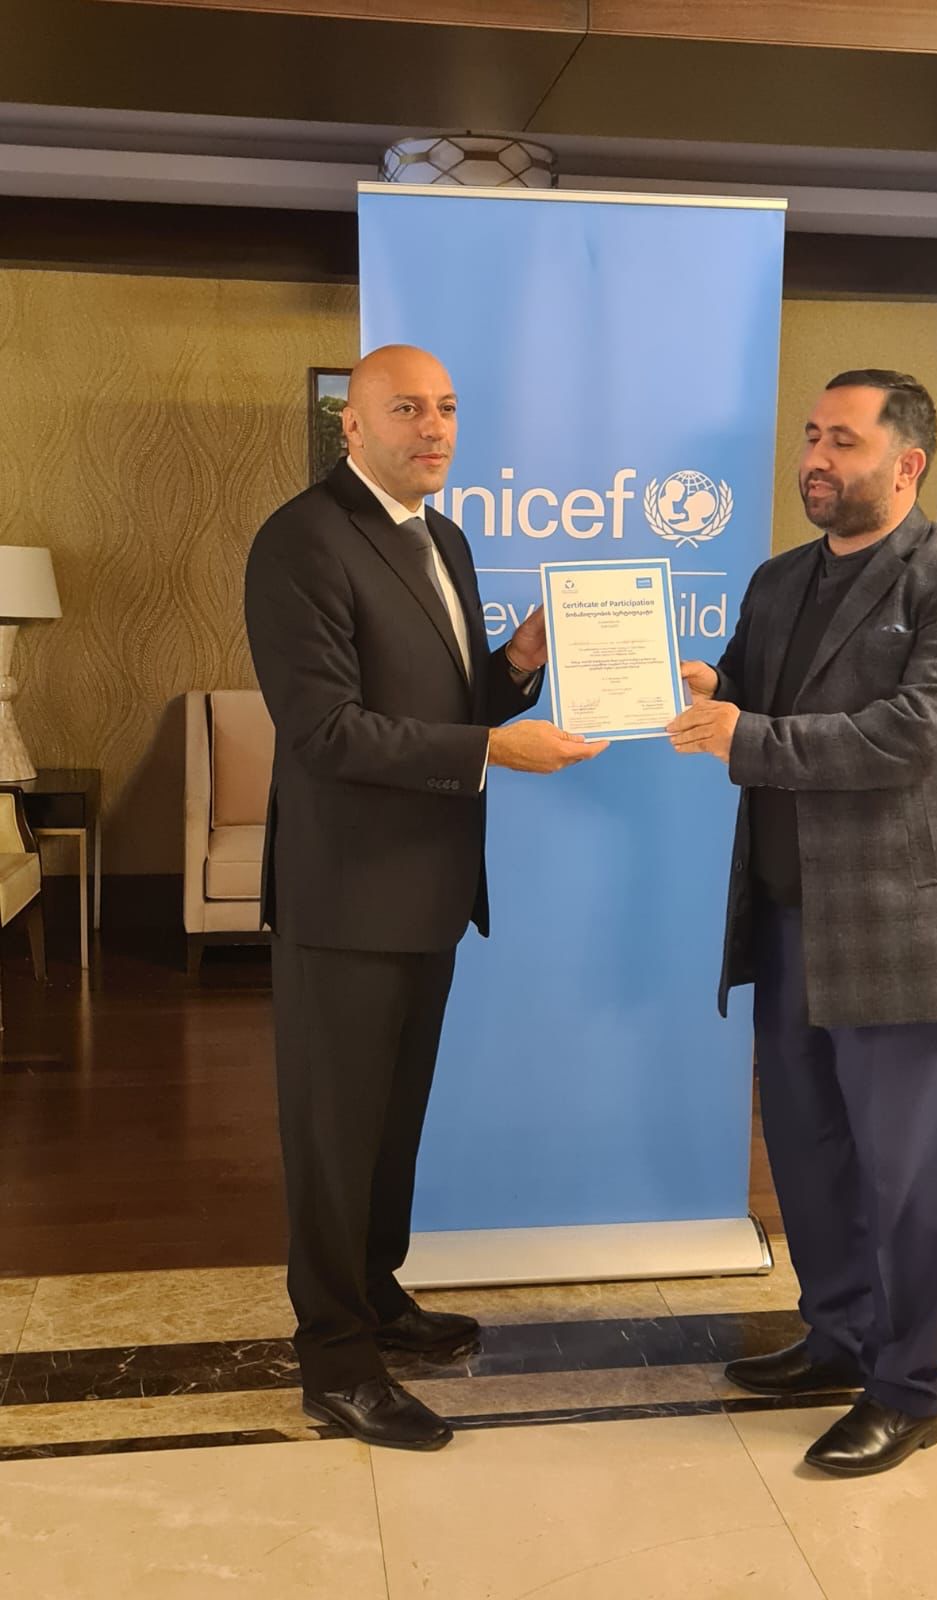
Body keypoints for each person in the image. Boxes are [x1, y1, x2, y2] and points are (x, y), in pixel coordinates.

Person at [244, 344, 606, 1452]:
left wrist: (518, 664)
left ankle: (376, 1297)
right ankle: (335, 1363)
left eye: (446, 407)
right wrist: (492, 748)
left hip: (430, 890)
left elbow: (448, 698)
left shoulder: (443, 537)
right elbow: (327, 730)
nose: (434, 427)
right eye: (406, 409)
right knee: (333, 1135)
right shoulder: (301, 539)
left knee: (390, 1123)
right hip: (345, 896)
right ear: (352, 427)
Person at [667, 370, 937, 1477]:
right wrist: (699, 685)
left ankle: (909, 1389)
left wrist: (744, 735)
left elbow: (913, 734)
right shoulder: (780, 579)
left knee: (911, 1172)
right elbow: (749, 689)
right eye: (811, 436)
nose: (815, 458)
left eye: (843, 441)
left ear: (907, 463)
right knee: (810, 1153)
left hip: (902, 930)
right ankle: (837, 1338)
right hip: (787, 919)